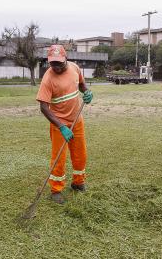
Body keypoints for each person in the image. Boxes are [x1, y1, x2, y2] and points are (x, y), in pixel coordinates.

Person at [36, 45, 93, 204]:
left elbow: (81, 84)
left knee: (80, 154)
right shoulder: (48, 78)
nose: (56, 67)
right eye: (52, 63)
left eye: (59, 63)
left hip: (77, 120)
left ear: (65, 58)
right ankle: (56, 190)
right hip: (59, 124)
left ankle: (78, 182)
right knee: (59, 158)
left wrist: (86, 92)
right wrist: (61, 126)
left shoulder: (75, 68)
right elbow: (43, 107)